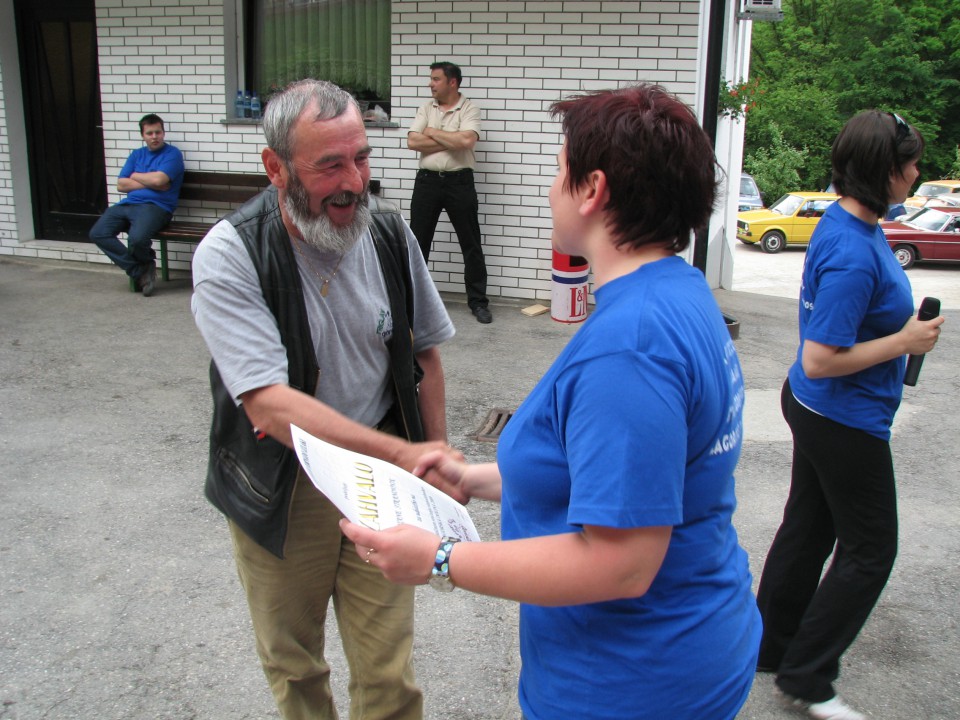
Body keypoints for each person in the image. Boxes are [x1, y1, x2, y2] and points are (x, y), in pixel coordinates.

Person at [343, 84, 762, 720]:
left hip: (630, 684)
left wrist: (439, 560)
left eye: (559, 170)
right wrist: (475, 478)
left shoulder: (630, 347)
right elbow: (613, 474)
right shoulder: (677, 290)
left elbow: (620, 566)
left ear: (592, 191)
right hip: (686, 648)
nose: (550, 189)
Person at [191, 79, 463, 720]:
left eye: (362, 157)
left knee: (389, 673)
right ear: (275, 167)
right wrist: (401, 450)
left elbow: (425, 354)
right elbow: (269, 405)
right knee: (296, 666)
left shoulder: (391, 234)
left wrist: (434, 450)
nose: (353, 182)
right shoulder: (232, 254)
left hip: (379, 484)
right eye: (329, 165)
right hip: (283, 485)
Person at [755, 111, 944, 720]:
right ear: (882, 172)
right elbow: (821, 358)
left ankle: (770, 647)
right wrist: (905, 342)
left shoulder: (844, 220)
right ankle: (807, 678)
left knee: (808, 527)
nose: (917, 173)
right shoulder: (855, 253)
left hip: (817, 407)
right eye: (910, 164)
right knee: (871, 549)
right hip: (842, 417)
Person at [408, 61, 492, 324]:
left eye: (435, 79)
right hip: (427, 182)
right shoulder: (425, 107)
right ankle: (412, 303)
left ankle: (478, 302)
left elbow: (467, 141)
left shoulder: (469, 108)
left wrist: (431, 132)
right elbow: (412, 141)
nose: (430, 84)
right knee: (418, 244)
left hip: (460, 183)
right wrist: (449, 138)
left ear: (452, 82)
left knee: (471, 244)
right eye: (431, 79)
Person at [89, 113, 184, 296]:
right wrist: (151, 182)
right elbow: (121, 185)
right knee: (98, 233)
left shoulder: (172, 154)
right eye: (150, 133)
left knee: (137, 238)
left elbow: (159, 179)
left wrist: (134, 176)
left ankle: (143, 270)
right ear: (143, 135)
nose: (154, 137)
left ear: (163, 133)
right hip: (128, 204)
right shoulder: (136, 154)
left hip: (156, 207)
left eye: (158, 132)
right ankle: (140, 271)